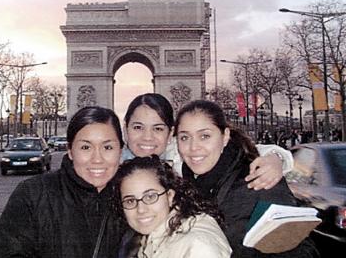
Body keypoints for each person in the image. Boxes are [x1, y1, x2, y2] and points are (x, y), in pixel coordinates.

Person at [175, 100, 320, 257]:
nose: (193, 147)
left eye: (204, 136)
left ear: (225, 137)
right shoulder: (185, 185)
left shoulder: (261, 181)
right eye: (184, 138)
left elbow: (302, 251)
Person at [0, 106, 126, 258]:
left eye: (108, 147)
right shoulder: (32, 195)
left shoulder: (134, 200)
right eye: (85, 147)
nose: (97, 159)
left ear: (120, 151)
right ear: (70, 150)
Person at [122, 93, 293, 190]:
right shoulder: (109, 161)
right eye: (137, 127)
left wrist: (275, 158)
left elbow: (245, 152)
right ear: (125, 129)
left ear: (170, 134)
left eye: (158, 128)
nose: (147, 137)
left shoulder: (181, 154)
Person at [112, 155, 232, 257]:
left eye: (150, 197)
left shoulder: (197, 245)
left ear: (170, 196)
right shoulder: (152, 237)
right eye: (130, 201)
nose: (141, 209)